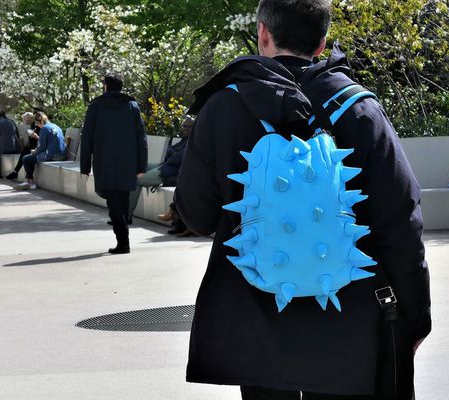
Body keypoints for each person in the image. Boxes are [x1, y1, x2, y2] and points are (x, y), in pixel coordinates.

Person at [174, 1, 431, 399]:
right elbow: (401, 219)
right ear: (322, 41)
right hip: (350, 328)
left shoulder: (223, 105)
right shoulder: (359, 107)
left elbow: (197, 214)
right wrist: (416, 317)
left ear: (263, 33)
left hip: (257, 325)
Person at [80, 73, 147, 254]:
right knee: (122, 200)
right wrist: (141, 166)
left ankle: (123, 242)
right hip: (128, 163)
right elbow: (141, 138)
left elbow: (87, 138)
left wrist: (85, 166)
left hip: (105, 162)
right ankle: (123, 241)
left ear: (106, 86)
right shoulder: (132, 106)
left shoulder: (95, 106)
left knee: (113, 202)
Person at [127, 116, 194, 228]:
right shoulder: (184, 140)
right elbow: (170, 151)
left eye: (190, 127)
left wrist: (173, 155)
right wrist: (173, 154)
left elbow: (180, 158)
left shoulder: (194, 142)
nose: (186, 129)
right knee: (138, 168)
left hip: (170, 172)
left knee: (137, 179)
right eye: (185, 126)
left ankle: (126, 215)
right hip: (165, 166)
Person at [14, 112, 66, 189]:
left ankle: (30, 182)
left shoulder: (44, 129)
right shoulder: (56, 126)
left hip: (53, 156)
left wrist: (34, 152)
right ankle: (28, 181)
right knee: (31, 157)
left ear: (40, 122)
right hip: (62, 155)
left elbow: (41, 146)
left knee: (26, 158)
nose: (37, 126)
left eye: (37, 124)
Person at [5, 111, 41, 180]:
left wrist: (34, 136)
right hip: (33, 147)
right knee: (25, 151)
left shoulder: (39, 126)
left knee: (26, 154)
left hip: (37, 148)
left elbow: (40, 140)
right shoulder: (33, 126)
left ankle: (21, 175)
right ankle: (18, 173)